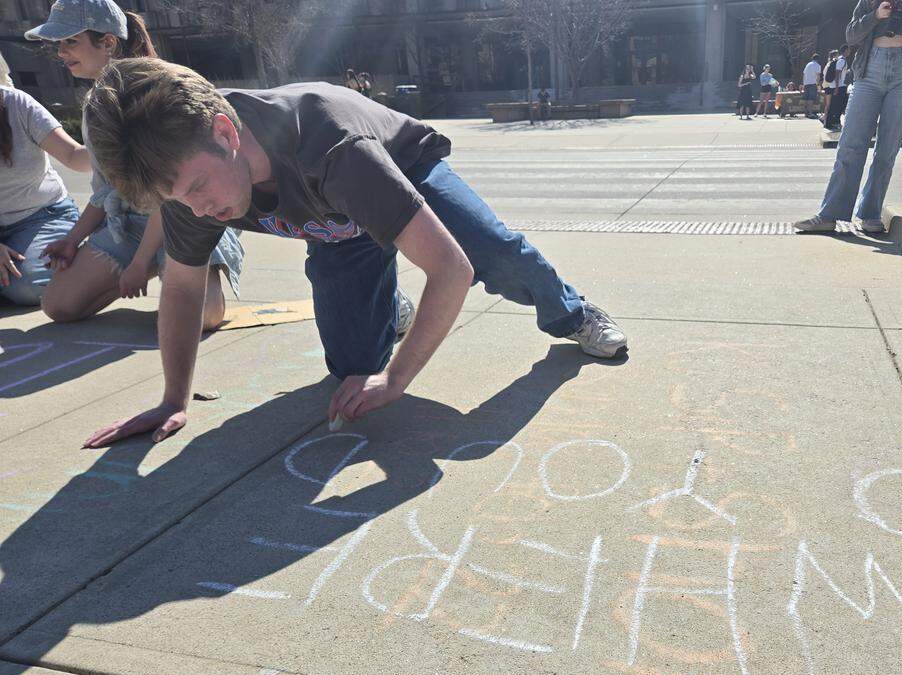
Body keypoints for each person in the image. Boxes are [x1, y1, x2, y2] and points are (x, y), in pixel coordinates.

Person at [78, 58, 629, 448]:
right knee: (349, 370)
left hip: (400, 171)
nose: (198, 211)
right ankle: (390, 311)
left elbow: (450, 268)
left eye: (198, 190)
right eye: (179, 200)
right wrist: (175, 398)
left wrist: (397, 380)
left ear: (226, 133)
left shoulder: (329, 146)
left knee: (492, 252)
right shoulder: (186, 182)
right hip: (334, 225)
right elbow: (181, 287)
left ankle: (573, 313)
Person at [25, 0, 243, 329]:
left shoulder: (156, 94)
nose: (60, 52)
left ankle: (176, 269)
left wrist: (139, 263)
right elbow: (105, 192)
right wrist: (72, 240)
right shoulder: (96, 104)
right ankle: (165, 272)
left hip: (180, 217)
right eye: (58, 43)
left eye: (71, 41)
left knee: (202, 318)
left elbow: (170, 195)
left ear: (108, 42)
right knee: (58, 305)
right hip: (128, 222)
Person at [795, 0, 902, 235]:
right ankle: (829, 215)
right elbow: (851, 35)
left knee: (886, 149)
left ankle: (870, 214)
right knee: (850, 145)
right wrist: (875, 16)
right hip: (870, 70)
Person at [1, 86, 88, 306]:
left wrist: (119, 147)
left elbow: (72, 155)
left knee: (28, 286)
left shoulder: (17, 103)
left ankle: (93, 257)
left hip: (41, 216)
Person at [824, 45, 852, 130]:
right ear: (845, 50)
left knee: (837, 105)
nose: (849, 52)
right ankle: (832, 123)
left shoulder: (840, 60)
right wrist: (836, 88)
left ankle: (833, 122)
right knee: (837, 106)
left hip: (839, 86)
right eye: (848, 50)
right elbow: (837, 74)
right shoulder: (841, 61)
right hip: (839, 86)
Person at [820, 50, 840, 122]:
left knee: (827, 104)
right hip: (830, 85)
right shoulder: (833, 64)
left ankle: (824, 117)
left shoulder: (828, 64)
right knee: (829, 104)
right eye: (837, 54)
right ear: (835, 55)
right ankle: (825, 118)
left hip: (826, 85)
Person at [802, 53, 822, 118]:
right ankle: (810, 113)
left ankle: (805, 113)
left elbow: (804, 74)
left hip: (806, 83)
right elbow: (818, 76)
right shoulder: (818, 65)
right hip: (813, 83)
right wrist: (818, 84)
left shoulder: (808, 64)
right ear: (818, 59)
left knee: (806, 98)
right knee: (811, 99)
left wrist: (804, 83)